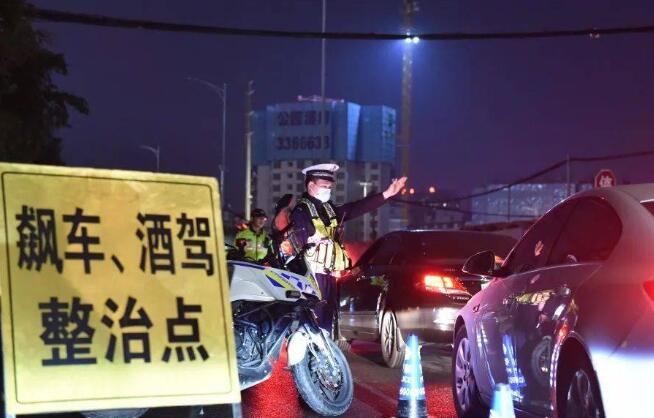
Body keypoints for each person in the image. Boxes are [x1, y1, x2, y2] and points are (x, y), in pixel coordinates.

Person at [290, 163, 407, 332]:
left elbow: (356, 208)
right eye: (324, 186)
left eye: (330, 187)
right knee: (312, 323)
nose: (327, 190)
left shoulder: (328, 209)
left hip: (330, 275)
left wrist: (387, 194)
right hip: (312, 276)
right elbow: (299, 245)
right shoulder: (301, 211)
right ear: (310, 185)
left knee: (327, 323)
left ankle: (325, 348)